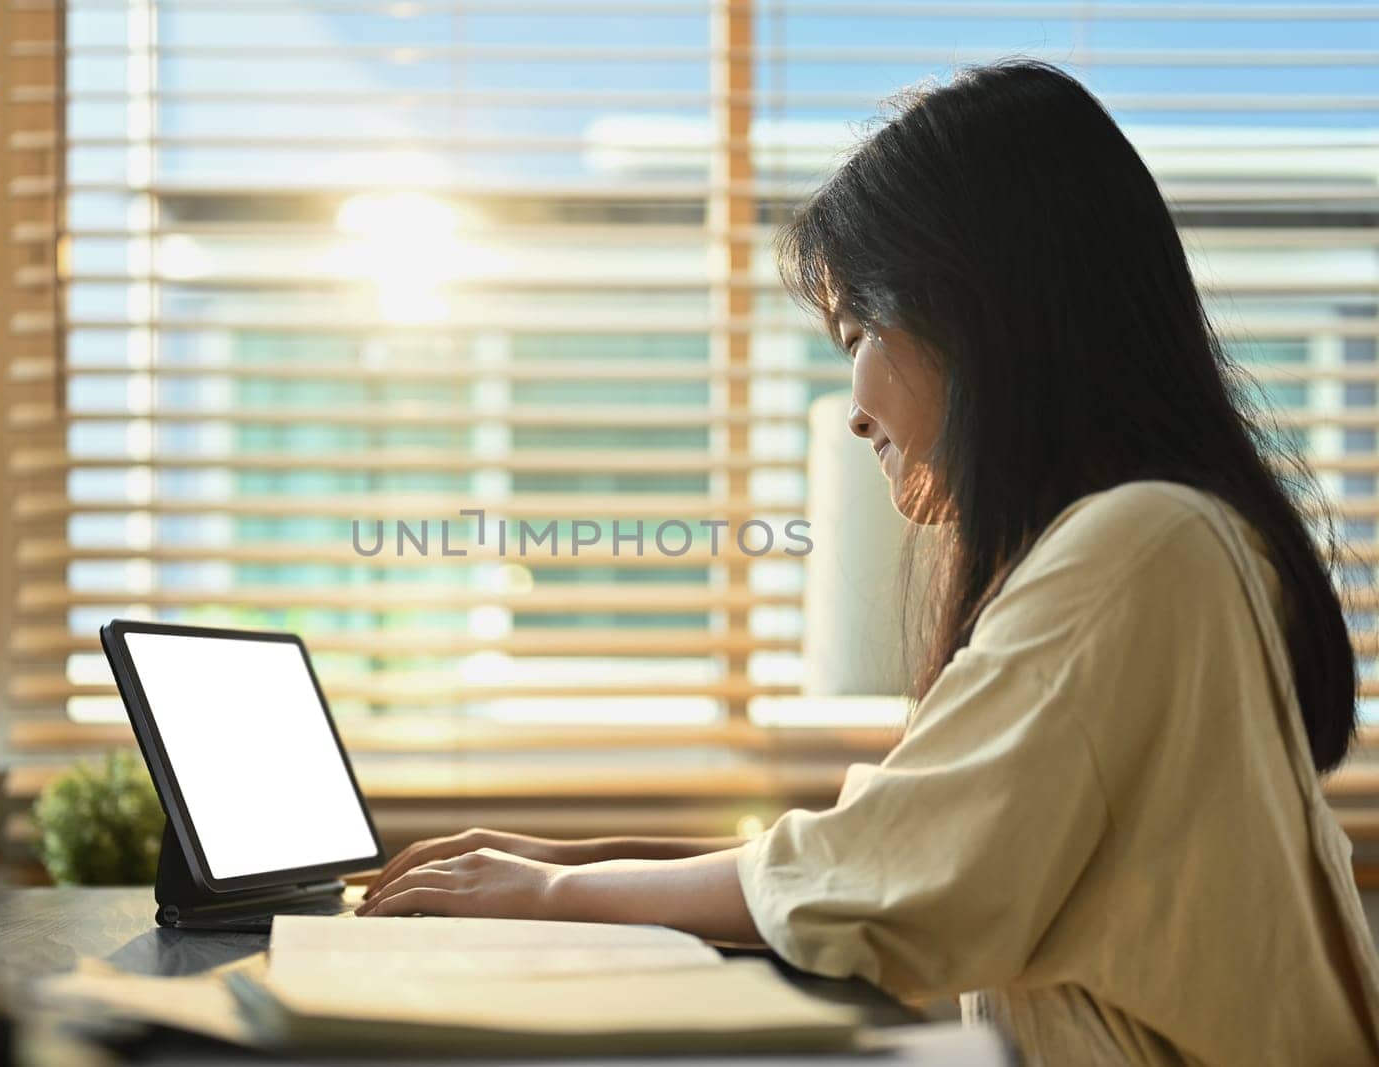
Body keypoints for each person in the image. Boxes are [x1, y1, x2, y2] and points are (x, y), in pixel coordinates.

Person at [354, 60, 1379, 1065]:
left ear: (980, 310)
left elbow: (899, 873)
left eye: (856, 329)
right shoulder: (1172, 539)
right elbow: (908, 834)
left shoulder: (1142, 544)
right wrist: (577, 860)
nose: (851, 406)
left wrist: (554, 895)